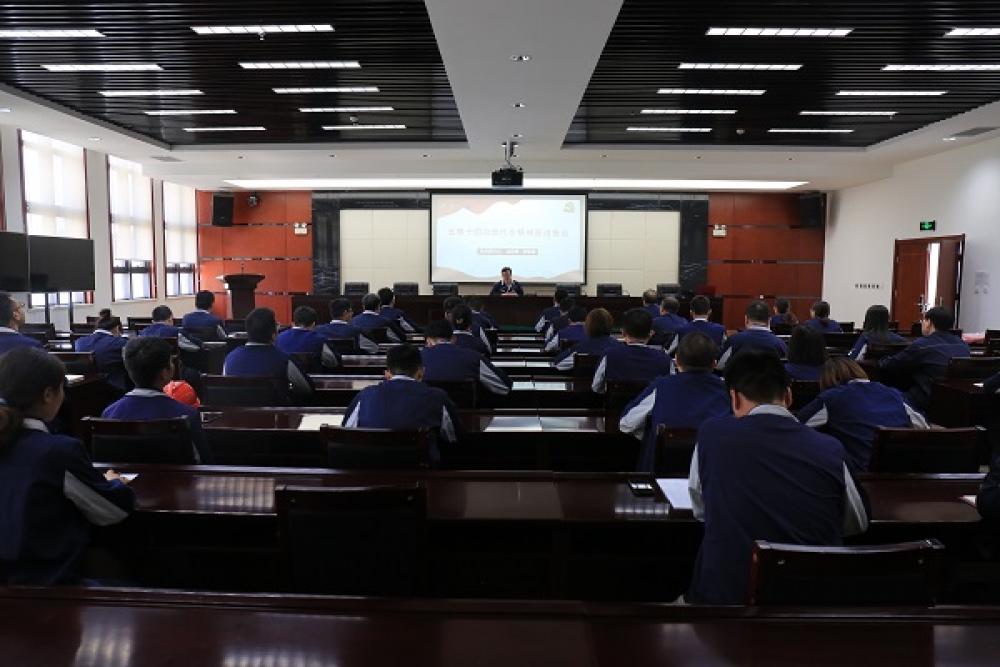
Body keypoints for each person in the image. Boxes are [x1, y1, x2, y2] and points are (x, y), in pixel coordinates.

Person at [687, 351, 869, 604]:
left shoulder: (712, 436)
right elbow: (857, 523)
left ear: (734, 398)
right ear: (788, 396)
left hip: (728, 600)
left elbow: (701, 511)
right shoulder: (831, 449)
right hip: (813, 602)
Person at [0, 347, 135, 584]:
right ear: (48, 394)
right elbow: (112, 511)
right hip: (43, 586)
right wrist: (116, 484)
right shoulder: (58, 452)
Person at [620, 333, 731, 472]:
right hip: (713, 472)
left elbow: (626, 424)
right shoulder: (729, 391)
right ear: (714, 364)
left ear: (676, 361)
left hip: (661, 474)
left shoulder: (662, 387)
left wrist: (650, 432)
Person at [798, 357, 929, 473]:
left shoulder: (832, 398)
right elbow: (923, 427)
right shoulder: (894, 393)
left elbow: (796, 426)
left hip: (859, 475)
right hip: (901, 474)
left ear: (827, 380)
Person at [101, 337, 213, 463]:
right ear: (164, 373)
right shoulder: (187, 415)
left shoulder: (109, 413)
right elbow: (205, 462)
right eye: (171, 362)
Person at [343, 344, 460, 461]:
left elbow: (345, 436)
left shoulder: (365, 396)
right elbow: (455, 438)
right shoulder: (437, 397)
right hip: (420, 469)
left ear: (387, 374)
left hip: (370, 468)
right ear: (421, 372)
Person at [878, 306, 970, 412]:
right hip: (955, 401)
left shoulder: (922, 344)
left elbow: (892, 364)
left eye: (924, 320)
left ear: (929, 322)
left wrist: (881, 360)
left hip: (926, 400)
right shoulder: (963, 345)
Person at [222, 307, 313, 397]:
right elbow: (307, 388)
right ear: (273, 334)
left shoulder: (230, 358)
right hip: (275, 406)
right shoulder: (283, 360)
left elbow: (226, 390)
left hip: (237, 406)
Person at [421, 320, 512, 395]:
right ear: (454, 338)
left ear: (428, 341)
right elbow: (505, 386)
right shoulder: (474, 357)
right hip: (469, 411)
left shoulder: (418, 359)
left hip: (430, 411)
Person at [592, 308, 672, 394]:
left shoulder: (609, 355)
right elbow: (671, 389)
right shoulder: (666, 360)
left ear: (623, 332)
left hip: (617, 402)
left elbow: (596, 387)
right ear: (651, 333)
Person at [717, 300, 788, 371]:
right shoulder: (780, 344)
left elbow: (720, 365)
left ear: (746, 319)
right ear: (769, 320)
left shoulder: (734, 340)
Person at [552, 308, 622, 371]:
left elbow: (558, 364)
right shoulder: (619, 346)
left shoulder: (582, 346)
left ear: (588, 326)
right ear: (610, 324)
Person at [74, 315, 129, 389]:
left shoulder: (79, 342)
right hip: (114, 390)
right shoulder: (120, 343)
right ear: (116, 328)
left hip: (84, 389)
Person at [314, 298, 379, 354]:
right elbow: (374, 349)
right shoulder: (356, 331)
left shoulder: (318, 330)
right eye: (351, 311)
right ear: (345, 313)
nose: (352, 313)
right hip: (353, 364)